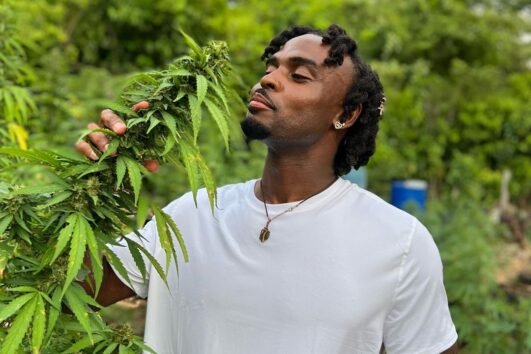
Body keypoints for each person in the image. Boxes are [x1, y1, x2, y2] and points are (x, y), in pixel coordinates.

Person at [76, 24, 459, 354]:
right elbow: (68, 293)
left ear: (345, 114)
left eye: (299, 76)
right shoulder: (190, 215)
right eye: (271, 67)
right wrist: (102, 181)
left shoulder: (399, 243)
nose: (268, 79)